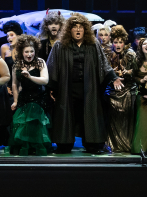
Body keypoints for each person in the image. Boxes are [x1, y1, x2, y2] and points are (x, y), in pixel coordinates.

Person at [46, 12, 122, 154]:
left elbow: (104, 64)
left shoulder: (93, 45)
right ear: (69, 30)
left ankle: (92, 145)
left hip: (89, 87)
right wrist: (51, 87)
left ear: (85, 29)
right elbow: (51, 66)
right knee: (65, 114)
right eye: (75, 27)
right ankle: (64, 145)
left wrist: (114, 77)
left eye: (81, 27)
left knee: (90, 114)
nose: (78, 29)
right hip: (67, 87)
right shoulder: (60, 45)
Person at [9, 34, 51, 156]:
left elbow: (45, 80)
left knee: (35, 123)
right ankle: (25, 147)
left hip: (38, 97)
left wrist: (30, 76)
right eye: (26, 52)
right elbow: (14, 84)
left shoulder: (40, 62)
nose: (29, 54)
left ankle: (35, 147)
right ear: (21, 52)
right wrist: (15, 101)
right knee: (23, 124)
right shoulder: (17, 64)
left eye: (31, 51)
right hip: (24, 97)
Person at [105, 25, 137, 153]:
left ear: (124, 42)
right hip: (112, 91)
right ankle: (113, 145)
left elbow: (137, 71)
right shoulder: (107, 54)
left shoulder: (131, 54)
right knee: (113, 119)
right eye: (115, 42)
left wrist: (127, 72)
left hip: (127, 90)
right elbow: (102, 71)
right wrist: (112, 74)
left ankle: (127, 144)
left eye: (120, 42)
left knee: (126, 119)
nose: (118, 45)